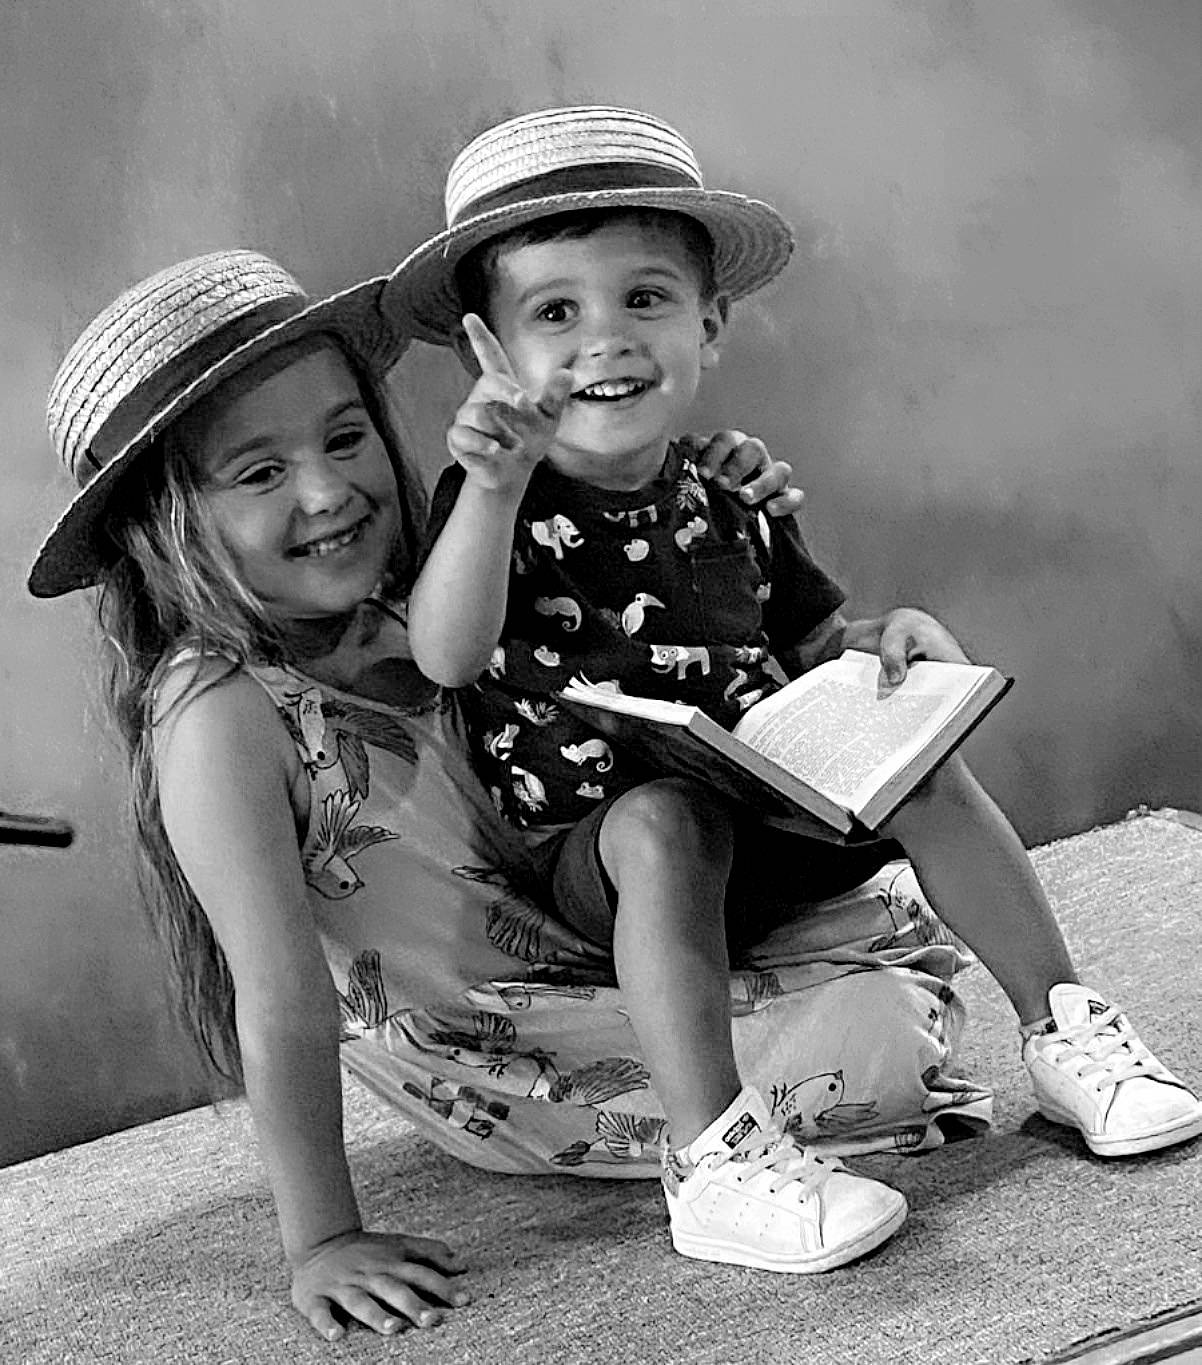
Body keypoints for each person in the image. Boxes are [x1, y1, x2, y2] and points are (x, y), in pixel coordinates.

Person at [28, 249, 987, 1340]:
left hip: (604, 945)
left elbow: (666, 634)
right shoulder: (215, 711)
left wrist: (708, 488)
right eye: (258, 474)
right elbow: (280, 995)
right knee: (879, 1038)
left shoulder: (426, 599)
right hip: (498, 1050)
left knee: (880, 923)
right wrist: (323, 1239)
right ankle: (718, 1156)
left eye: (345, 438)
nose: (327, 492)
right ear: (161, 529)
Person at [396, 105, 1202, 1275]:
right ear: (490, 352)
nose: (605, 341)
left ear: (709, 323)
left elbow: (812, 645)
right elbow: (446, 654)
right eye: (554, 314)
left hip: (765, 818)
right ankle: (716, 1162)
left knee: (919, 762)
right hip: (607, 862)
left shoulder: (728, 491)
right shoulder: (491, 497)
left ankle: (1063, 1029)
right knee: (663, 821)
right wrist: (488, 488)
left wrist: (889, 649)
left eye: (644, 299)